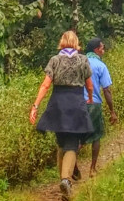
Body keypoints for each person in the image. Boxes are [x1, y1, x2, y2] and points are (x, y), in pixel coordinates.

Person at [30, 30, 95, 200]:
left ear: (62, 42)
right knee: (72, 144)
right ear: (76, 43)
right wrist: (89, 98)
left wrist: (35, 106)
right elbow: (89, 85)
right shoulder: (83, 60)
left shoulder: (55, 60)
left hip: (58, 104)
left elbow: (45, 85)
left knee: (61, 143)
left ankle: (64, 181)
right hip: (76, 103)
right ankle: (66, 180)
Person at [82, 37, 118, 176]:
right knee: (96, 136)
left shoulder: (80, 61)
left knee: (78, 137)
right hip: (93, 104)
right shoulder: (100, 66)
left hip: (77, 103)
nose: (104, 50)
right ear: (96, 50)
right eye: (102, 47)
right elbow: (107, 90)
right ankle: (92, 168)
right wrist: (112, 111)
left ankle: (72, 168)